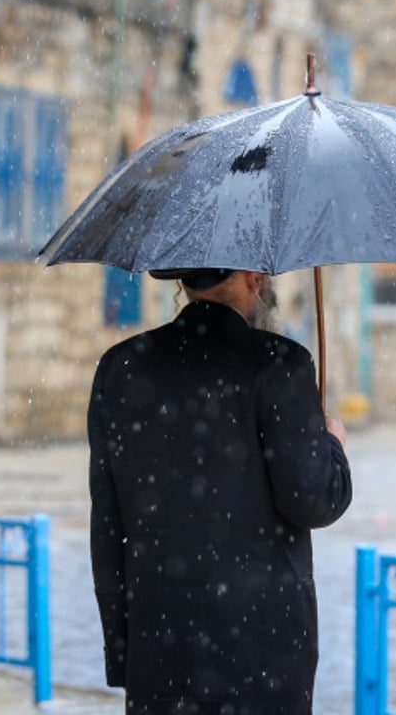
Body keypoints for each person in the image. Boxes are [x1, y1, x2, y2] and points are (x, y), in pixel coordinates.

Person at [88, 267, 352, 714]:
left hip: (160, 654)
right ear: (253, 278)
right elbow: (315, 500)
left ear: (182, 283)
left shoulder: (121, 367)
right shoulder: (281, 364)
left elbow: (108, 529)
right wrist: (333, 446)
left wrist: (125, 653)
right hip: (263, 657)